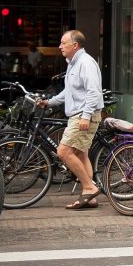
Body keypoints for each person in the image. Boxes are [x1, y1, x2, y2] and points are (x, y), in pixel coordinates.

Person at [36, 30, 104, 209]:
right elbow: (69, 92)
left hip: (83, 115)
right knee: (81, 154)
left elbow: (93, 91)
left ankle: (89, 188)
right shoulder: (72, 64)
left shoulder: (85, 63)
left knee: (63, 152)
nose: (60, 46)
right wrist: (49, 102)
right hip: (78, 114)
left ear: (75, 45)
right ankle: (90, 196)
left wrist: (86, 116)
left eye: (63, 43)